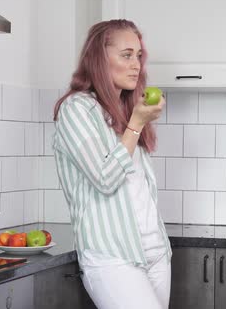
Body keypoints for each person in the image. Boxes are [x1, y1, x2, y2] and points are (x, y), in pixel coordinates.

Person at [52, 19, 171, 309]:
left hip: (154, 251)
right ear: (99, 59)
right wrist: (138, 123)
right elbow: (106, 179)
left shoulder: (126, 112)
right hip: (112, 257)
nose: (136, 65)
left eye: (139, 56)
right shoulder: (77, 110)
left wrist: (135, 120)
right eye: (126, 55)